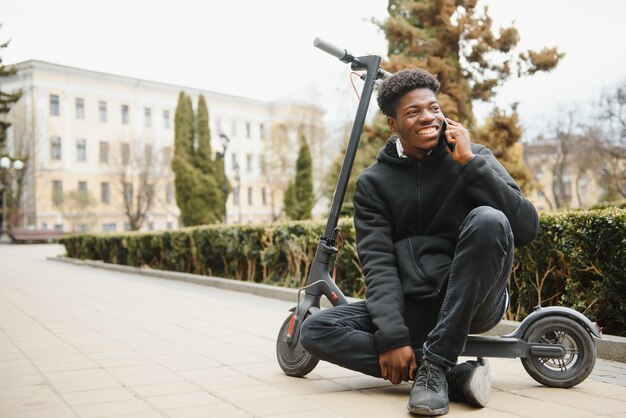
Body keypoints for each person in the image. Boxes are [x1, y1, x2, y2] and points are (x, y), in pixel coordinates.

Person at [300, 68, 539, 416]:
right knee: (316, 329)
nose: (428, 117)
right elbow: (378, 264)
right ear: (393, 124)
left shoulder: (473, 157)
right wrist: (393, 338)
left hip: (475, 300)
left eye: (434, 108)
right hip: (417, 304)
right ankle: (455, 377)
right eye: (413, 112)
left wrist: (471, 165)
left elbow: (526, 228)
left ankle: (436, 367)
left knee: (488, 219)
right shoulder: (373, 183)